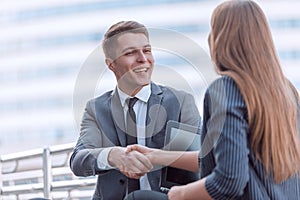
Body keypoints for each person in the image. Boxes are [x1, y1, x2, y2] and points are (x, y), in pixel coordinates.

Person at [125, 1, 300, 200]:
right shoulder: (287, 91)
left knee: (139, 197)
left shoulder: (227, 90)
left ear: (220, 39)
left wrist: (179, 194)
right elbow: (222, 159)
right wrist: (155, 156)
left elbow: (229, 180)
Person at [69, 21, 201, 200]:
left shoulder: (180, 102)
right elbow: (78, 160)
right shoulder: (97, 108)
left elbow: (200, 161)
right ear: (111, 65)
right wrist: (113, 156)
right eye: (130, 53)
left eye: (147, 50)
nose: (143, 59)